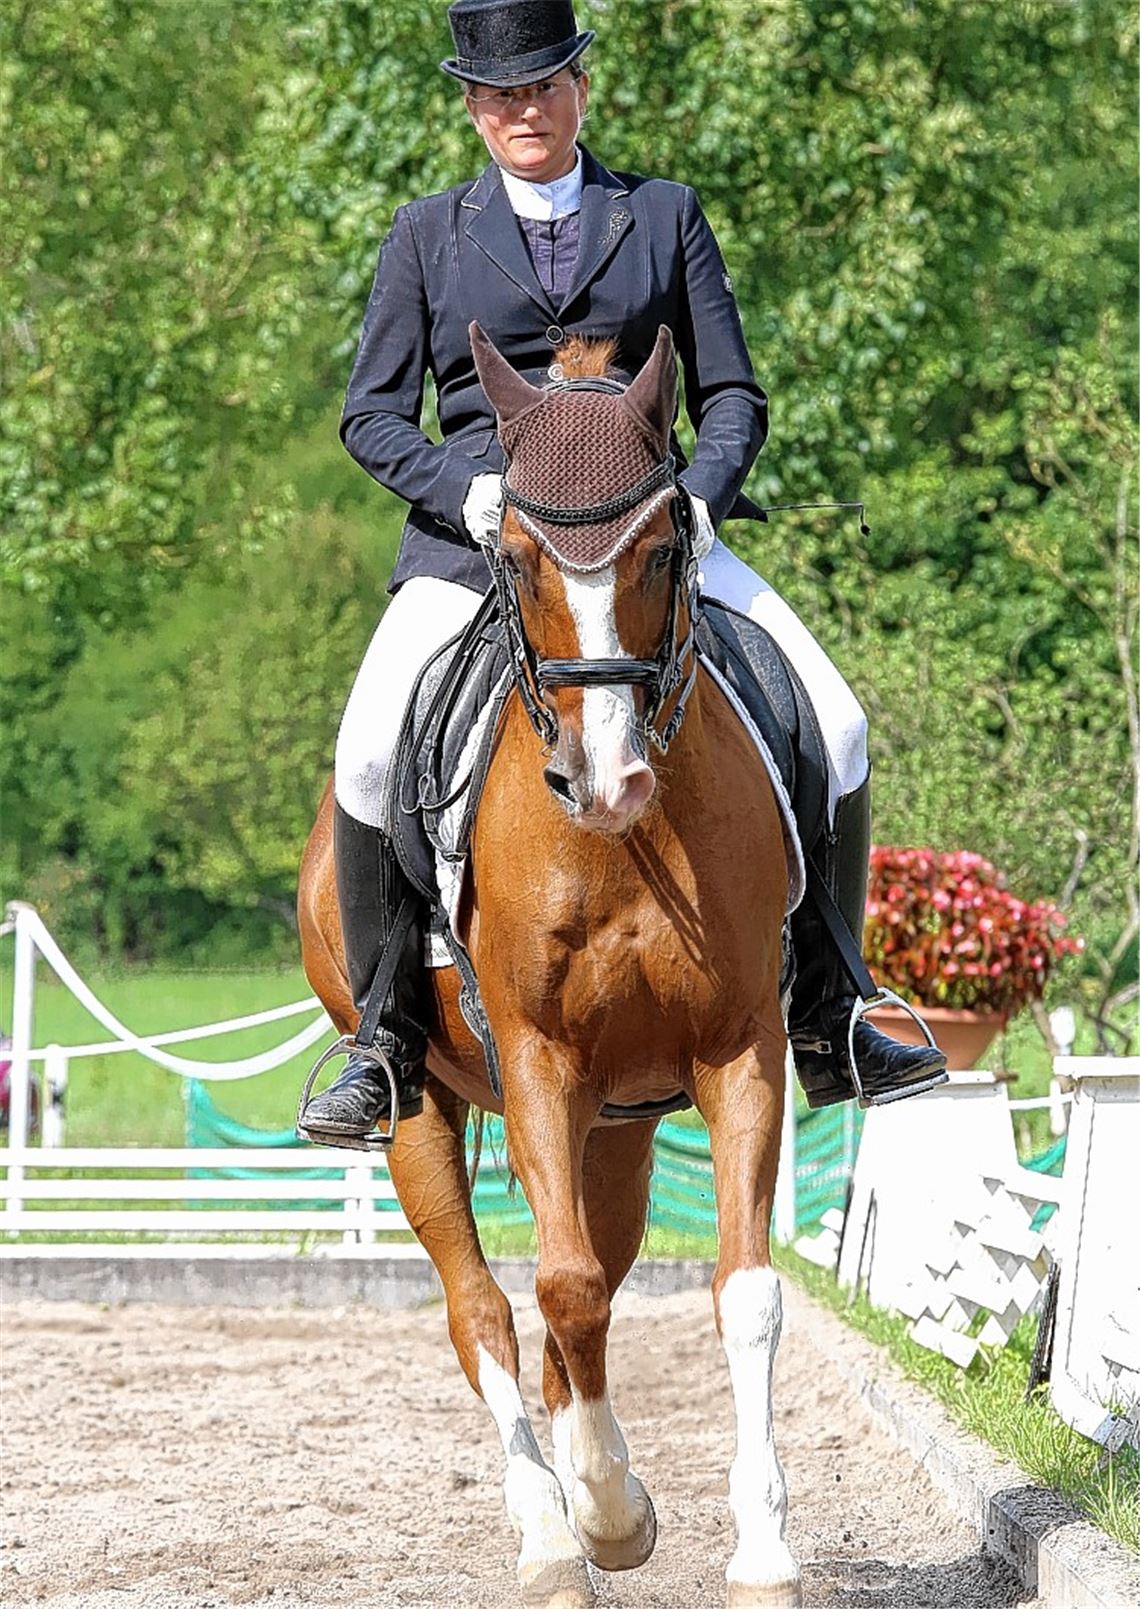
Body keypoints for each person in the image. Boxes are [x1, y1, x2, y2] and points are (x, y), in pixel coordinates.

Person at [297, 0, 947, 1144]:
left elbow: (733, 394)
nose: (525, 111)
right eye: (501, 96)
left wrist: (699, 498)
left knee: (837, 724)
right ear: (474, 108)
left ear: (578, 89)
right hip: (486, 543)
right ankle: (386, 1040)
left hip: (652, 541)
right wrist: (467, 493)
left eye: (543, 86)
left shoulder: (662, 215)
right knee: (364, 749)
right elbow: (370, 415)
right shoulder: (427, 234)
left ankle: (831, 1007)